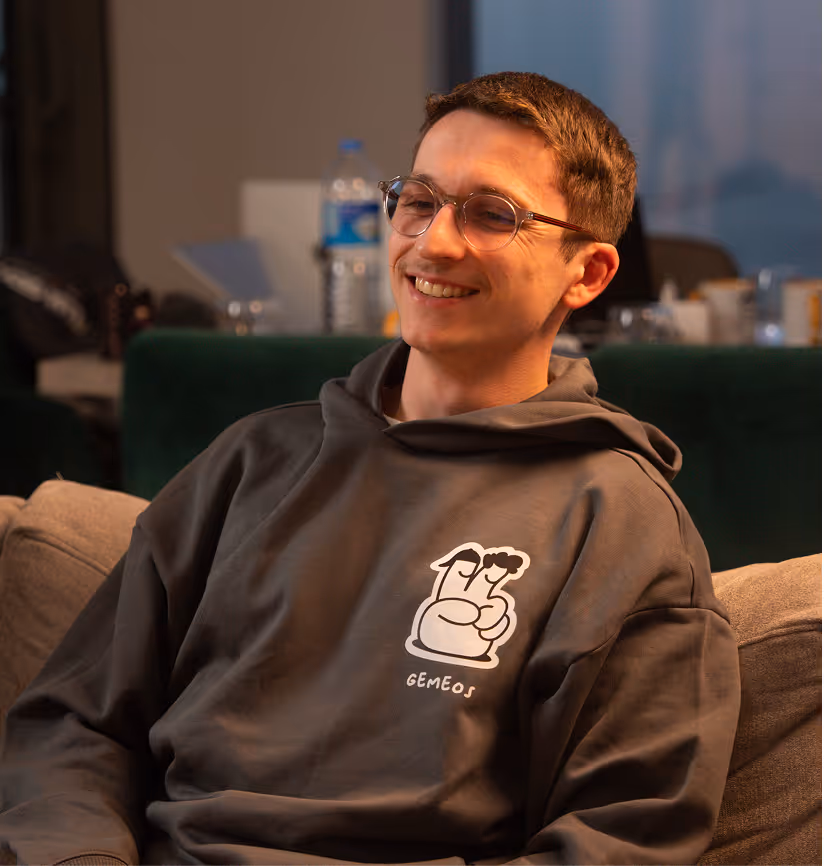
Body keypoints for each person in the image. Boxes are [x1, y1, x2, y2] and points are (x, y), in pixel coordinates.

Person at [0, 72, 740, 865]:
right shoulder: (252, 463)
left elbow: (625, 837)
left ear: (587, 273)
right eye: (419, 201)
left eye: (492, 214)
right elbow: (72, 726)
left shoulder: (621, 524)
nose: (434, 242)